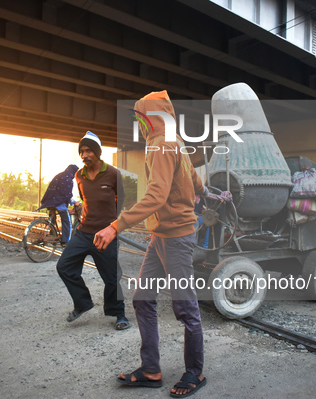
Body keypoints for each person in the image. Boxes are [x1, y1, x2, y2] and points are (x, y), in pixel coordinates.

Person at [94, 90, 208, 397]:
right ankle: (151, 369)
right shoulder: (175, 142)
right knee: (143, 298)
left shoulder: (161, 144)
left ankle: (195, 373)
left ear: (152, 119)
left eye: (140, 118)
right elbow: (194, 179)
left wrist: (115, 226)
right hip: (161, 236)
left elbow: (156, 196)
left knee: (185, 308)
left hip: (177, 237)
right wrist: (207, 193)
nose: (139, 125)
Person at [56, 131, 129, 331]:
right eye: (82, 151)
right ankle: (82, 303)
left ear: (97, 152)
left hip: (106, 234)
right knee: (64, 266)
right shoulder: (79, 176)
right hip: (83, 232)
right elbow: (84, 197)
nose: (85, 155)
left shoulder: (113, 174)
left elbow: (121, 200)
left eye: (89, 151)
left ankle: (120, 314)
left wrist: (113, 226)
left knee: (112, 277)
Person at [38, 164, 79, 244]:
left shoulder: (58, 176)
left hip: (50, 201)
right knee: (67, 222)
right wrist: (74, 202)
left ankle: (52, 232)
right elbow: (67, 195)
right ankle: (65, 241)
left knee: (53, 218)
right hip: (59, 203)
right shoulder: (68, 180)